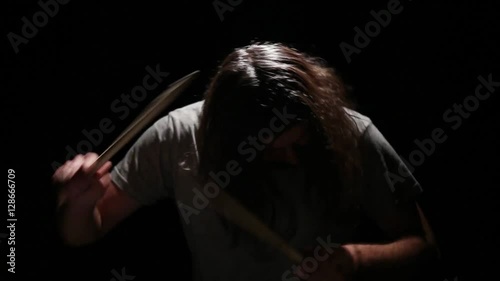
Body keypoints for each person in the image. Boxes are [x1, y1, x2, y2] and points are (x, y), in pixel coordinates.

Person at [52, 41, 440, 281]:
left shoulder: (351, 133)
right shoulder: (178, 136)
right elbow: (83, 233)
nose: (289, 158)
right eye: (271, 150)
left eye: (299, 144)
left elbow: (424, 248)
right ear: (225, 139)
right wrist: (80, 205)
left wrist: (353, 260)